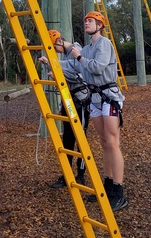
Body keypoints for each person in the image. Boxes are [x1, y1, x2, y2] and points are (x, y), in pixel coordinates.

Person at [40, 13, 128, 211]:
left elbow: (97, 68)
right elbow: (74, 67)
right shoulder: (86, 48)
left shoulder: (103, 44)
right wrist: (51, 63)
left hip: (108, 95)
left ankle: (119, 191)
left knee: (113, 142)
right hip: (95, 98)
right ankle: (108, 184)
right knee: (104, 143)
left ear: (99, 25)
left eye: (90, 21)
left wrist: (78, 56)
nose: (86, 23)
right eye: (86, 21)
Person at [45, 30, 90, 190]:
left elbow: (77, 71)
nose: (55, 51)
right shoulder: (65, 55)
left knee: (81, 137)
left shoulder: (76, 50)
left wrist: (53, 64)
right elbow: (67, 73)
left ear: (58, 42)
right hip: (69, 98)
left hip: (80, 100)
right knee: (68, 138)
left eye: (54, 48)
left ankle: (81, 174)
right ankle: (67, 174)